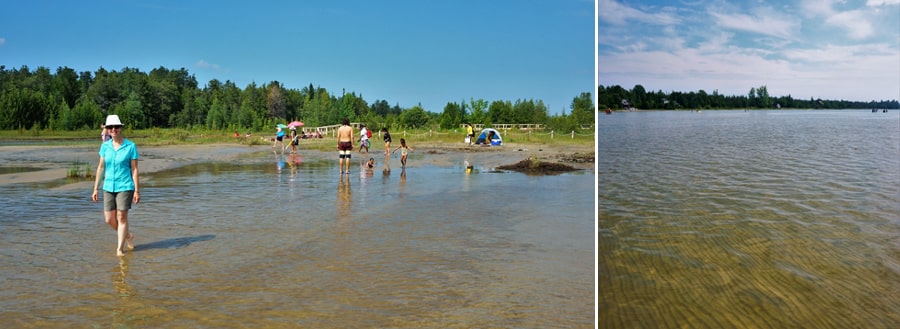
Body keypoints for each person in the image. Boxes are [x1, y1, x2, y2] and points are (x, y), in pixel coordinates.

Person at [91, 115, 140, 257]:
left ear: (120, 128)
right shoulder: (105, 146)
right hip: (108, 186)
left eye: (116, 127)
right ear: (107, 129)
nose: (113, 129)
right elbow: (100, 168)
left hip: (125, 185)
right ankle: (128, 236)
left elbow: (135, 169)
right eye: (110, 127)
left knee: (121, 217)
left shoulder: (131, 146)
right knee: (108, 219)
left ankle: (119, 249)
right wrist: (95, 188)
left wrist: (137, 190)